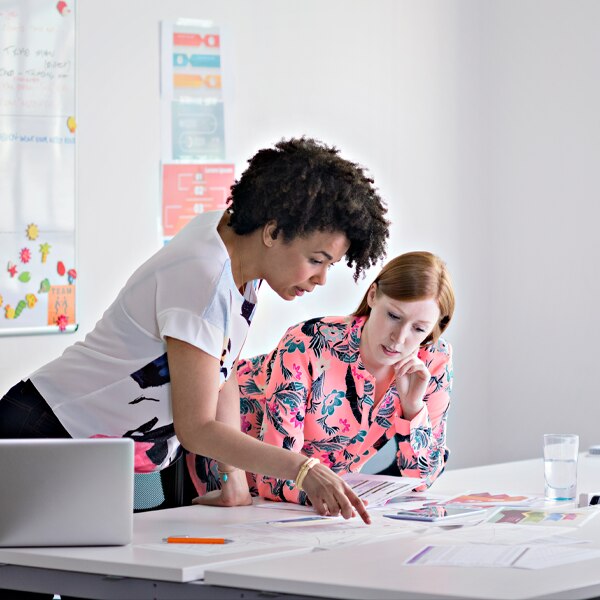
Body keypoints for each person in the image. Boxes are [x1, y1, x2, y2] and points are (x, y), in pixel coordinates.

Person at [0, 137, 389, 523]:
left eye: (330, 266)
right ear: (272, 233)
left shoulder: (237, 251)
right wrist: (305, 470)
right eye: (316, 260)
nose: (320, 278)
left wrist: (232, 474)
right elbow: (197, 428)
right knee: (30, 580)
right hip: (47, 432)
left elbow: (223, 368)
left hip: (108, 454)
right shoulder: (203, 276)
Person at [188, 251, 454, 506]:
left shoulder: (433, 363)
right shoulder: (307, 343)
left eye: (419, 328)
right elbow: (273, 479)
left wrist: (413, 409)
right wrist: (339, 495)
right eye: (393, 316)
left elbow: (422, 480)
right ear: (373, 296)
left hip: (313, 501)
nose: (400, 337)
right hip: (229, 476)